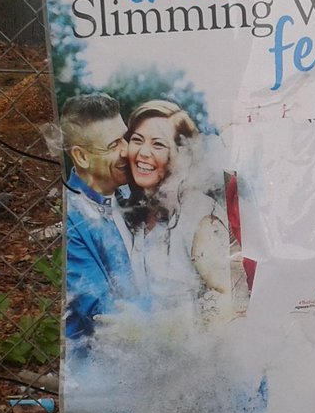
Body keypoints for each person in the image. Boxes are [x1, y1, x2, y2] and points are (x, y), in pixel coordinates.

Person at [121, 100, 230, 321]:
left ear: (184, 155)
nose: (143, 152)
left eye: (158, 144)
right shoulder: (136, 210)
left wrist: (158, 330)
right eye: (137, 140)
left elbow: (227, 299)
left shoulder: (201, 217)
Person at [60, 94, 140, 342]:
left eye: (125, 138)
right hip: (97, 353)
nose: (127, 150)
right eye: (113, 145)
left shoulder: (131, 193)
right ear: (81, 157)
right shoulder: (70, 219)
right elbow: (105, 313)